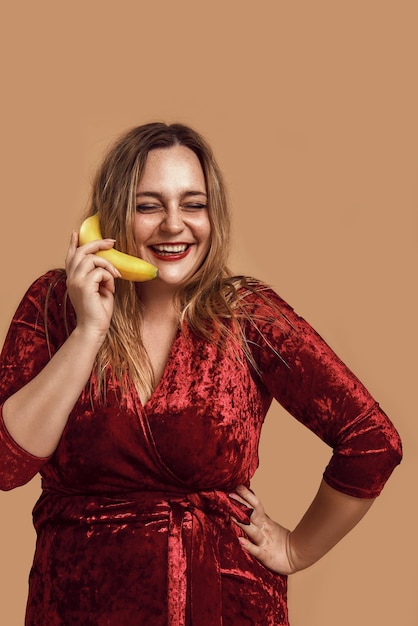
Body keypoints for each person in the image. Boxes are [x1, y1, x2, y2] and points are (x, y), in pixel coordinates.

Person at [0, 122, 402, 626]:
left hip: (220, 603)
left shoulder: (248, 315)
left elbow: (372, 441)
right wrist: (88, 332)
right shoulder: (53, 305)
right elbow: (6, 465)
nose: (174, 225)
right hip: (76, 604)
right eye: (149, 205)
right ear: (109, 217)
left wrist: (297, 550)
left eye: (194, 204)